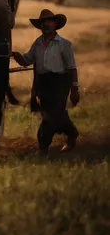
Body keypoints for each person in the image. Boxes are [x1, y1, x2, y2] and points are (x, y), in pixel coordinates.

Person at [13, 9, 80, 155]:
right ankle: (71, 133)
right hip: (43, 83)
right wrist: (16, 55)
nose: (45, 24)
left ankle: (43, 146)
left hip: (60, 82)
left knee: (50, 115)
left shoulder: (64, 44)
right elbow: (27, 60)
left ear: (56, 24)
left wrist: (74, 89)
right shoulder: (37, 43)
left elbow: (72, 68)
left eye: (49, 21)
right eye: (43, 22)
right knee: (51, 113)